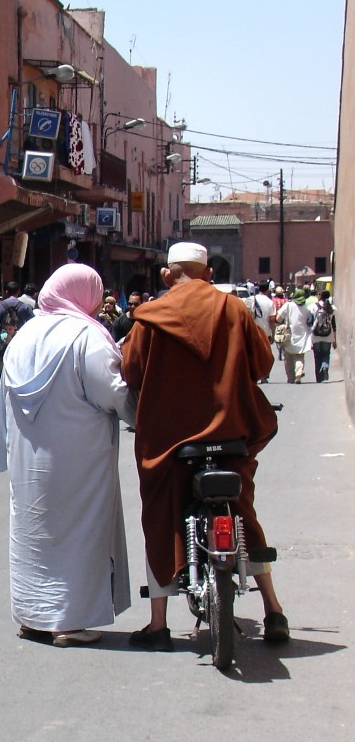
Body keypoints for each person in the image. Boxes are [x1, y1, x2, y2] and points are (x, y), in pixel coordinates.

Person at [121, 242, 288, 650]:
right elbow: (264, 364)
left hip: (170, 443)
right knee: (242, 512)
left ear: (167, 275)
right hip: (230, 435)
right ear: (209, 274)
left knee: (160, 517)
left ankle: (158, 624)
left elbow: (131, 371)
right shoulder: (234, 309)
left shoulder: (150, 317)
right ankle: (273, 609)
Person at [0, 263, 136, 647]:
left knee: (33, 533)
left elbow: (5, 400)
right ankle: (68, 621)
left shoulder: (25, 335)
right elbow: (112, 391)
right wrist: (140, 416)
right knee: (79, 531)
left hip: (28, 460)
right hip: (79, 459)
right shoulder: (85, 336)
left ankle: (33, 616)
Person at [273, 288, 313, 384]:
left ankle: (290, 377)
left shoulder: (288, 305)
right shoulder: (307, 308)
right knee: (299, 356)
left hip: (289, 334)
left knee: (288, 357)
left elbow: (278, 318)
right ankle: (298, 374)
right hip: (303, 335)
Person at [0, 281, 34, 348]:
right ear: (18, 291)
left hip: (3, 342)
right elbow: (33, 324)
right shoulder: (25, 307)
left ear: (6, 292)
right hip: (20, 342)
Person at [309, 289, 337, 382]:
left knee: (317, 356)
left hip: (316, 336)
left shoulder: (313, 307)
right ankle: (325, 366)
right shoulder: (331, 308)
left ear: (320, 296)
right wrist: (335, 340)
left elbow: (310, 322)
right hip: (328, 335)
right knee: (326, 354)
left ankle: (319, 378)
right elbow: (334, 325)